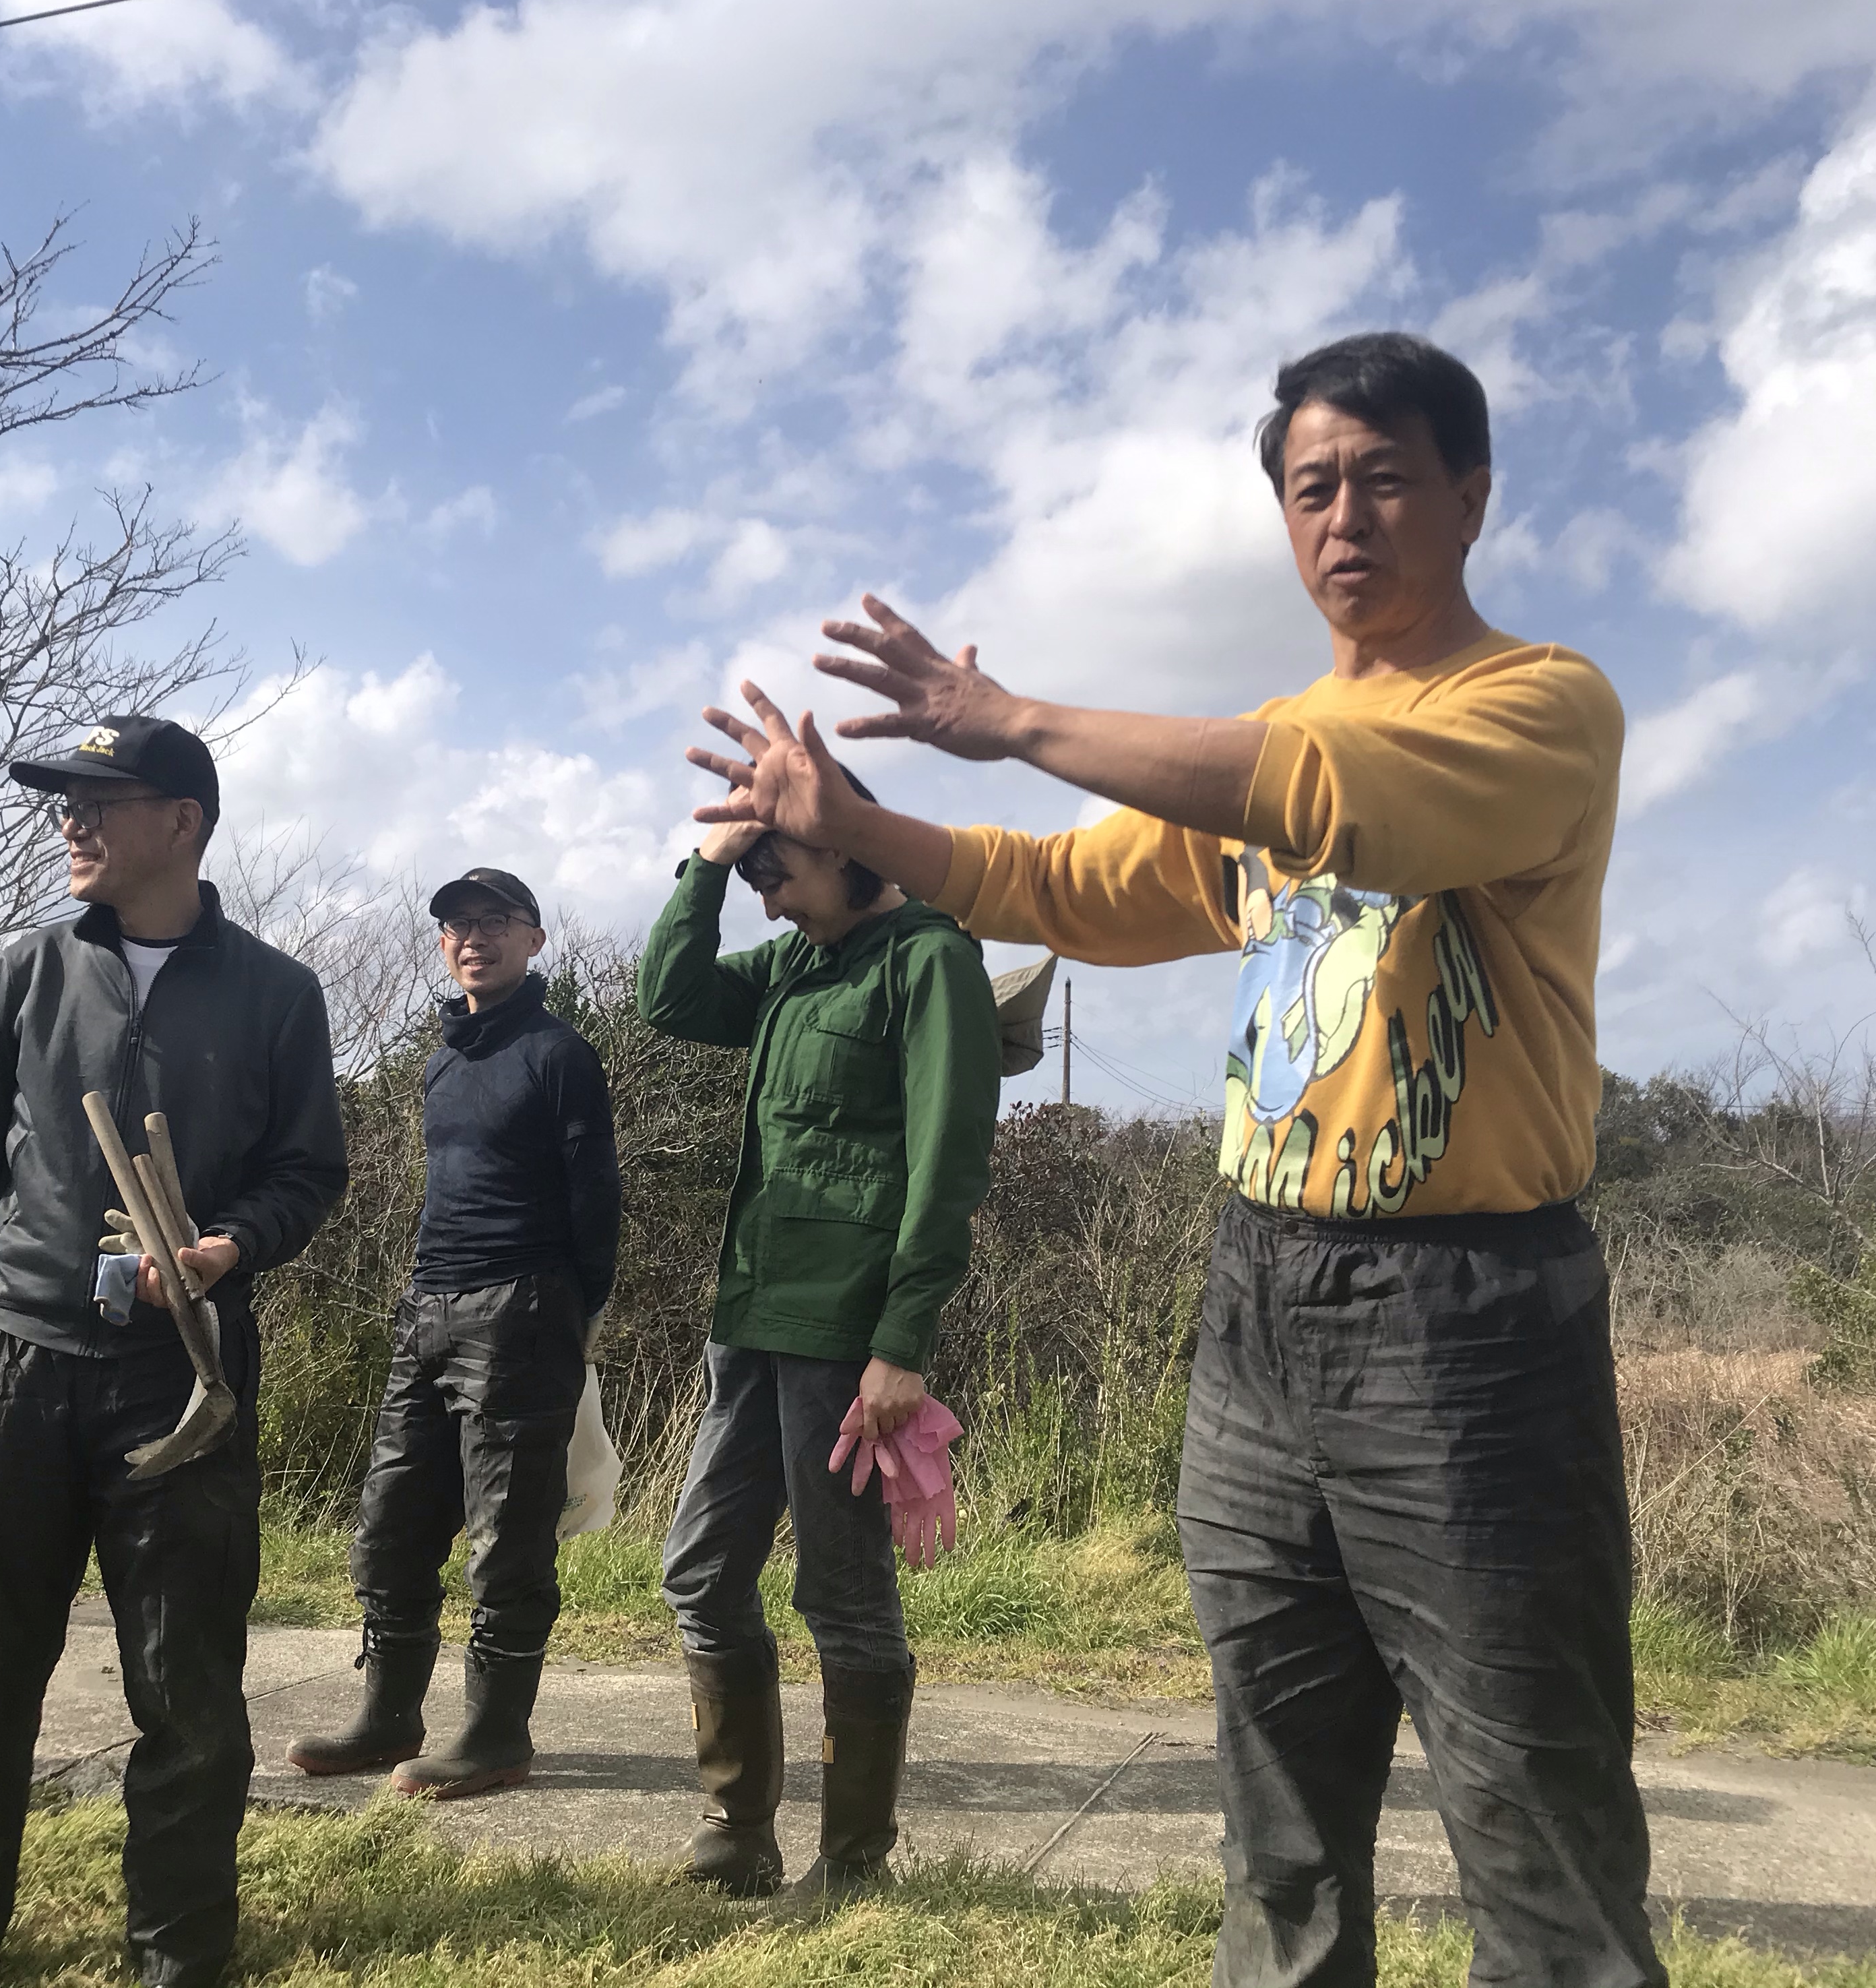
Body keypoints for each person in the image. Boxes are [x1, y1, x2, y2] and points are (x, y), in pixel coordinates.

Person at [683, 334, 1657, 1988]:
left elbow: (1334, 798)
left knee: (1533, 1819)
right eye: (1312, 486)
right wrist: (861, 828)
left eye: (1387, 477)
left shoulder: (1537, 706)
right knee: (1277, 1823)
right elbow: (1062, 888)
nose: (1345, 515)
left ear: (1473, 496)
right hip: (1260, 1302)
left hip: (1469, 1321)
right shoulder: (1269, 747)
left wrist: (1009, 718)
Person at [0, 715, 348, 1988]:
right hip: (17, 1364)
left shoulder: (277, 993)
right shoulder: (27, 972)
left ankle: (178, 1962)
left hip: (182, 1373)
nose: (71, 823)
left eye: (100, 800)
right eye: (65, 802)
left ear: (183, 821)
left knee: (188, 1692)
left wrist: (229, 1245)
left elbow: (310, 1172)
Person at [635, 772, 1001, 1912]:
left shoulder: (929, 960)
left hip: (845, 1334)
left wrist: (903, 1342)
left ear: (846, 848)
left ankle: (851, 1864)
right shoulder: (795, 964)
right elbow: (669, 998)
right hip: (749, 1318)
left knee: (842, 1596)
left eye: (778, 874)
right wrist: (708, 866)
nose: (768, 901)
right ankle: (738, 1828)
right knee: (700, 1569)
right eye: (751, 883)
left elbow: (947, 1162)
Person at [284, 866, 621, 1797]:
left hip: (523, 1309)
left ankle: (495, 1736)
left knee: (507, 1540)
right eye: (458, 925)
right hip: (426, 1306)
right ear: (443, 944)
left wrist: (572, 1315)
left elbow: (597, 1199)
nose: (475, 937)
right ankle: (388, 1717)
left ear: (534, 940)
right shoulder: (442, 1060)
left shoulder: (560, 1054)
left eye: (496, 920)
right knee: (389, 1526)